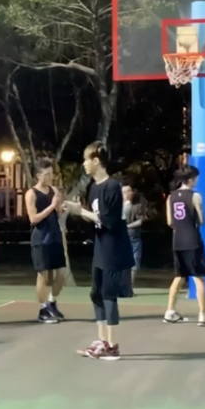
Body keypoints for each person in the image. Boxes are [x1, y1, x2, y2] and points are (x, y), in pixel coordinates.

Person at [65, 141, 134, 361]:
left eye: (86, 160)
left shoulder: (112, 187)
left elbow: (108, 221)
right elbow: (95, 219)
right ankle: (102, 341)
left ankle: (112, 347)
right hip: (101, 247)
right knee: (96, 294)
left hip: (114, 248)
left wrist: (81, 211)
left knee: (108, 295)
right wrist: (78, 211)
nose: (84, 164)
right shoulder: (93, 188)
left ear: (96, 161)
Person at [164, 166, 205, 327]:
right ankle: (202, 315)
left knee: (179, 276)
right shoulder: (195, 195)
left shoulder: (171, 197)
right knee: (199, 278)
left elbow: (170, 221)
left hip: (177, 240)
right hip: (192, 240)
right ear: (191, 179)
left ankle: (170, 310)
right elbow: (201, 219)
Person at [24, 159, 66, 324]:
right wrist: (51, 206)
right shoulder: (31, 193)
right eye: (46, 174)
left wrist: (60, 207)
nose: (50, 177)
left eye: (51, 174)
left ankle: (51, 303)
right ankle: (43, 311)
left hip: (55, 236)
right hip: (41, 238)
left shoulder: (54, 190)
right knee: (44, 276)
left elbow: (58, 213)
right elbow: (33, 219)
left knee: (61, 274)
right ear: (38, 175)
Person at [122, 184, 144, 292]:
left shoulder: (137, 206)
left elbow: (140, 221)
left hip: (134, 237)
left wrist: (127, 226)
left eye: (129, 191)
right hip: (120, 238)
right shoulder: (117, 206)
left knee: (135, 262)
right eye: (124, 192)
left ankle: (129, 287)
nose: (127, 194)